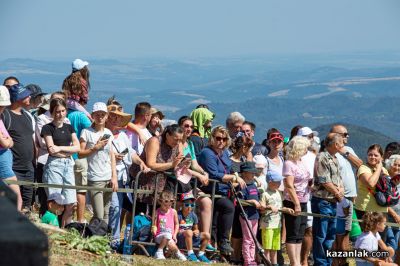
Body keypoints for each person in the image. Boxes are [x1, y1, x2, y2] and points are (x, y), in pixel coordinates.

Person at [105, 103, 149, 247]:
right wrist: (111, 156)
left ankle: (114, 239)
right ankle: (113, 240)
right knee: (114, 208)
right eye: (112, 116)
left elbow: (131, 153)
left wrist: (140, 162)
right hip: (109, 176)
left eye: (118, 117)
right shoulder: (103, 134)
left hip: (123, 177)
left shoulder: (123, 136)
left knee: (118, 208)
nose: (115, 120)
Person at [198, 126, 246, 255]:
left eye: (224, 139)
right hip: (210, 190)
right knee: (228, 207)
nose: (221, 142)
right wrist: (234, 177)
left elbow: (229, 168)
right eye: (218, 138)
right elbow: (213, 174)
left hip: (223, 191)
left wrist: (235, 175)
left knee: (217, 219)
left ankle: (216, 248)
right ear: (212, 138)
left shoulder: (224, 152)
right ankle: (223, 241)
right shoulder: (207, 153)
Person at [41, 98, 80, 227]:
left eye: (63, 111)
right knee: (54, 203)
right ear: (52, 112)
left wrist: (61, 148)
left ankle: (65, 230)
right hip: (54, 165)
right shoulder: (47, 128)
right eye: (58, 111)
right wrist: (67, 151)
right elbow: (51, 150)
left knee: (71, 203)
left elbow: (77, 147)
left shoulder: (69, 127)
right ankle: (53, 230)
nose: (61, 114)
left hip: (68, 165)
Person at [129, 124, 184, 214]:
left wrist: (182, 164)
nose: (178, 142)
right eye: (176, 139)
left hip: (161, 187)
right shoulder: (155, 141)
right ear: (167, 135)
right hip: (144, 183)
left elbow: (177, 162)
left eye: (180, 140)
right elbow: (150, 164)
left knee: (158, 217)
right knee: (141, 216)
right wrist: (172, 164)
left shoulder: (177, 145)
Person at [79, 102, 118, 223]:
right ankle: (95, 236)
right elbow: (80, 153)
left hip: (107, 177)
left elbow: (111, 155)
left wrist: (114, 176)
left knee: (106, 213)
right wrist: (95, 147)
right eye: (97, 115)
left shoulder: (108, 133)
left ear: (106, 116)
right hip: (94, 177)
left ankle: (102, 240)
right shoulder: (86, 132)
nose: (100, 117)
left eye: (102, 114)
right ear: (93, 116)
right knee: (99, 215)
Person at [330, 124, 363, 266]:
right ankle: (339, 262)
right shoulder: (330, 151)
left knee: (345, 233)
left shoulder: (347, 149)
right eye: (344, 134)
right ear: (335, 135)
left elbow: (360, 164)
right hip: (338, 197)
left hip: (350, 197)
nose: (347, 136)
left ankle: (339, 262)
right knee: (339, 234)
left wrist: (345, 152)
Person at [177, 116, 213, 243]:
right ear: (180, 126)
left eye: (191, 127)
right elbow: (180, 167)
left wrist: (204, 172)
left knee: (206, 202)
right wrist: (199, 176)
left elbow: (194, 164)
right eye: (186, 126)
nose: (189, 129)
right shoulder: (177, 142)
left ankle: (205, 239)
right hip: (177, 181)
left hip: (188, 181)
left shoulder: (190, 143)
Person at [1, 84, 35, 212]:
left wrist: (33, 164)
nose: (29, 97)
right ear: (17, 98)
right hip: (13, 168)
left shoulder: (27, 115)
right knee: (14, 203)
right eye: (26, 95)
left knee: (27, 206)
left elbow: (31, 140)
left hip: (29, 168)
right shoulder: (5, 115)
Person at [312, 133, 345, 266]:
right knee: (321, 235)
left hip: (333, 202)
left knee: (330, 236)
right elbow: (324, 180)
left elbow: (339, 179)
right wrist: (337, 193)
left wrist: (341, 190)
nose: (343, 145)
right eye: (342, 142)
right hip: (322, 201)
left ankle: (328, 261)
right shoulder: (322, 157)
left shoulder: (335, 159)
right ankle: (320, 263)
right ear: (336, 144)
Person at [35, 91, 69, 216]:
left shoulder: (68, 121)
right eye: (55, 101)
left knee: (63, 200)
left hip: (65, 163)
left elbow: (72, 145)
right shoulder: (42, 119)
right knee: (47, 200)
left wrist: (58, 147)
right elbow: (43, 143)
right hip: (45, 162)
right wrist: (63, 147)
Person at [283, 136, 313, 266]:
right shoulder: (288, 163)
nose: (307, 150)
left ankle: (298, 261)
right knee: (293, 232)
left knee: (300, 232)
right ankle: (294, 262)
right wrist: (296, 203)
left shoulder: (301, 162)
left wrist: (310, 184)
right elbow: (289, 185)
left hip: (304, 199)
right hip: (292, 201)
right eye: (305, 147)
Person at [260, 171, 294, 266]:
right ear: (270, 182)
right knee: (267, 247)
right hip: (267, 225)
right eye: (277, 182)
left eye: (280, 182)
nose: (279, 184)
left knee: (274, 247)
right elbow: (261, 208)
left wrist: (286, 209)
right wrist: (269, 207)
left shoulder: (278, 193)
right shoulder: (265, 194)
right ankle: (267, 262)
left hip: (277, 225)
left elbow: (280, 207)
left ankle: (274, 263)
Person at [0, 85, 22, 210]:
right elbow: (5, 143)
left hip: (5, 161)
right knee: (15, 196)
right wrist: (7, 141)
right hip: (2, 162)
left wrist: (7, 141)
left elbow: (10, 140)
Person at [238, 161, 264, 266]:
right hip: (246, 216)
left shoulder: (253, 185)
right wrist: (252, 202)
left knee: (253, 239)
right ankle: (247, 260)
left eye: (254, 172)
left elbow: (258, 197)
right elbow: (239, 201)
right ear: (244, 173)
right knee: (248, 239)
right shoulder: (242, 186)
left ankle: (252, 260)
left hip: (255, 215)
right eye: (251, 172)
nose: (254, 174)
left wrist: (261, 202)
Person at [354, 144, 389, 219]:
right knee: (368, 231)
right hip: (365, 209)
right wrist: (379, 167)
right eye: (370, 155)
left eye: (376, 155)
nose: (373, 157)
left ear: (381, 157)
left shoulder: (384, 170)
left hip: (382, 208)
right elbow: (371, 184)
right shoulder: (363, 168)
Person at [176, 191, 212, 263]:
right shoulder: (178, 215)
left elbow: (196, 229)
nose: (189, 207)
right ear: (181, 205)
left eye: (192, 205)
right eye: (187, 205)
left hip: (190, 237)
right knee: (189, 232)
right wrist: (182, 232)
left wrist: (196, 231)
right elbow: (175, 229)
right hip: (181, 238)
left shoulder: (193, 215)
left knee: (207, 235)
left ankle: (201, 254)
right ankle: (190, 253)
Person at [152, 190, 187, 261]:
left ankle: (177, 254)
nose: (167, 207)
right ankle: (160, 252)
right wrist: (154, 230)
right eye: (165, 205)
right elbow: (154, 224)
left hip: (170, 236)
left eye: (169, 205)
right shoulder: (157, 211)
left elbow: (177, 224)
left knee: (171, 242)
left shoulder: (173, 212)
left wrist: (174, 234)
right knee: (167, 236)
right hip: (159, 235)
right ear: (160, 202)